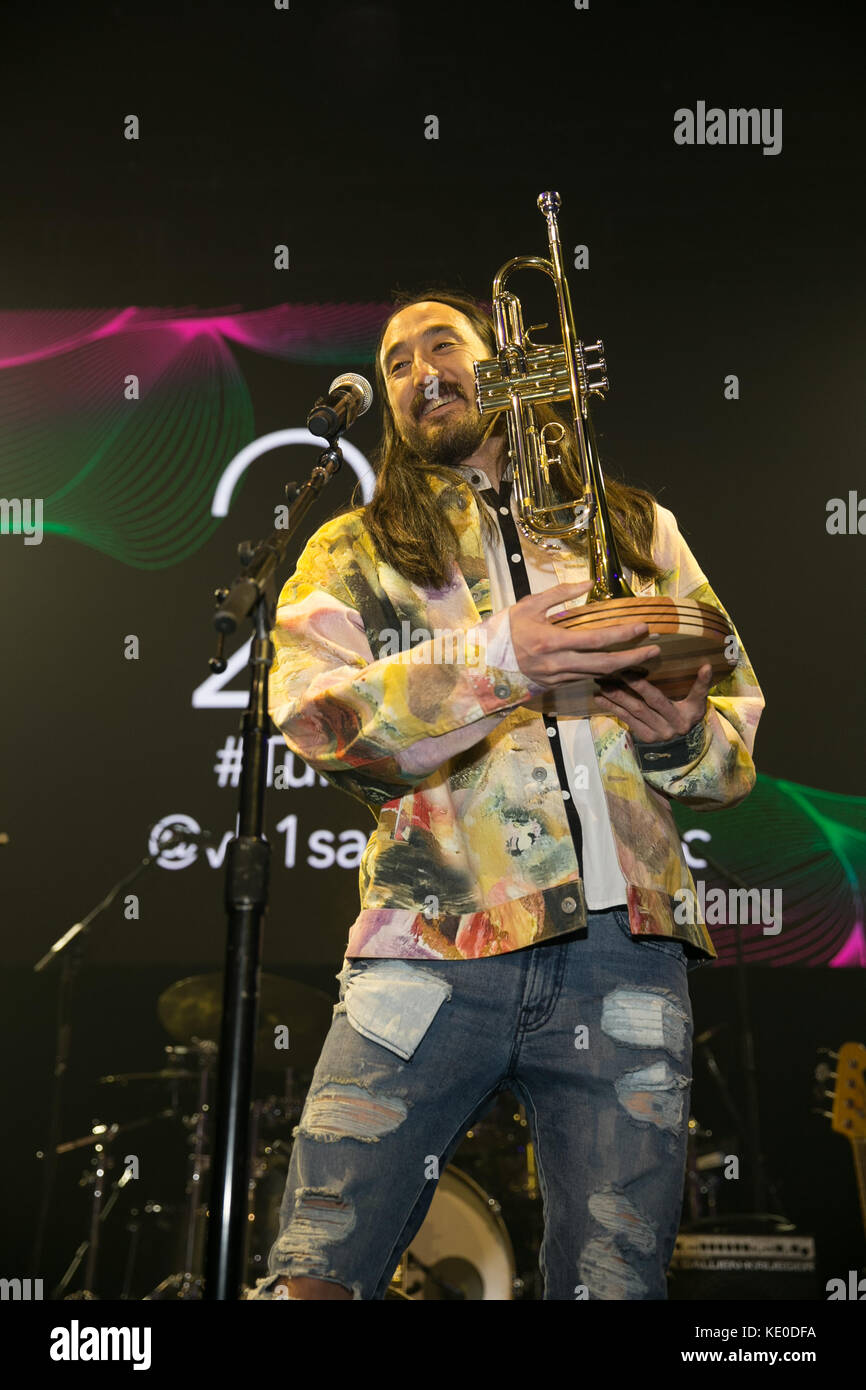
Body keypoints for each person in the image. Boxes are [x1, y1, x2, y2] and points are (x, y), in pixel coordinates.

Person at [246, 289, 764, 1301]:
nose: (415, 369)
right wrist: (498, 660)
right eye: (394, 361)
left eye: (441, 344)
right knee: (313, 1276)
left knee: (614, 1288)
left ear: (508, 367)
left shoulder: (632, 525)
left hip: (626, 949)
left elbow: (730, 733)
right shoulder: (348, 550)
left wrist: (684, 742)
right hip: (428, 946)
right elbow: (312, 716)